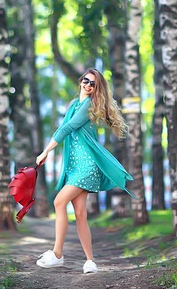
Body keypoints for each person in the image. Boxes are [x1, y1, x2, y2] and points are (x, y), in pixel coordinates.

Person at [35, 68, 134, 274]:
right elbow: (62, 127)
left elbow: (67, 128)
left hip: (87, 166)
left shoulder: (89, 106)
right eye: (86, 81)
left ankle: (57, 254)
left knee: (58, 202)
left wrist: (45, 152)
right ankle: (90, 262)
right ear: (81, 81)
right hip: (74, 166)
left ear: (96, 89)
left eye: (93, 84)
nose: (88, 85)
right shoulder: (74, 104)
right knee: (80, 213)